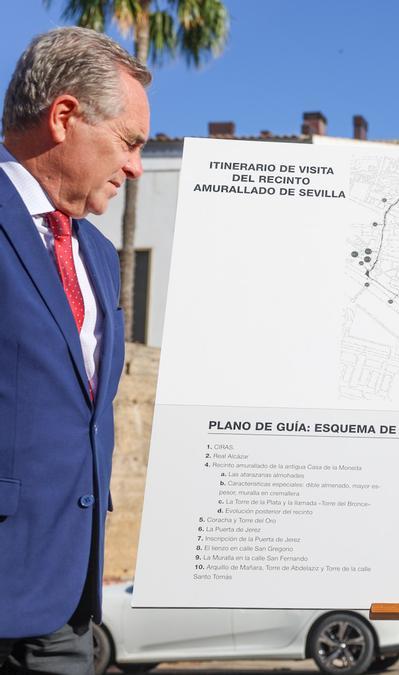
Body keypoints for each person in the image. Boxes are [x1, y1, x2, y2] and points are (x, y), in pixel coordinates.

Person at [0, 27, 150, 673]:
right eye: (129, 142)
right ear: (64, 116)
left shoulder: (93, 253)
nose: (136, 166)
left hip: (68, 604)